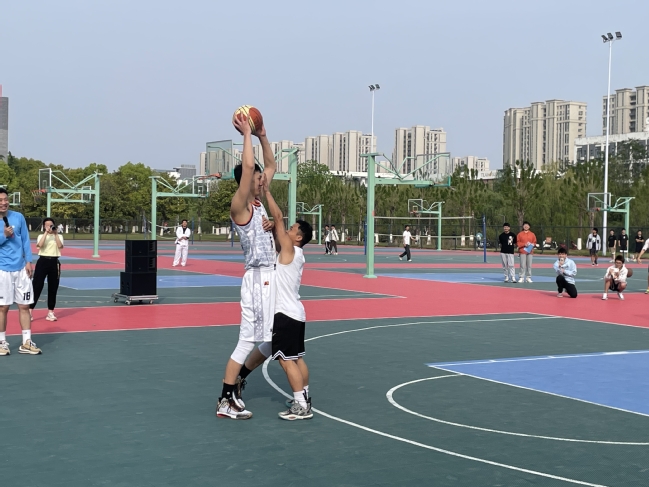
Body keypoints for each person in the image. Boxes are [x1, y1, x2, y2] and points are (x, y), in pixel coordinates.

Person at [216, 111, 277, 420]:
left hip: (272, 277)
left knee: (275, 339)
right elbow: (251, 167)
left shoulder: (259, 201)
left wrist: (263, 135)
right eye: (256, 178)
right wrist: (247, 134)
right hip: (256, 279)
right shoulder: (239, 206)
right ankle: (225, 399)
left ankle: (239, 378)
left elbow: (270, 166)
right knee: (246, 341)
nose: (261, 179)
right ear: (245, 180)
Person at [263, 177, 313, 419]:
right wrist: (273, 227)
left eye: (292, 229)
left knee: (285, 361)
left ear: (298, 237)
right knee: (297, 359)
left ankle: (300, 405)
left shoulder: (291, 249)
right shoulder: (295, 253)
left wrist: (266, 192)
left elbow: (278, 218)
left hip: (285, 313)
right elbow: (277, 230)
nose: (288, 230)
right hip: (297, 313)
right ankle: (304, 396)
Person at [0, 188, 41, 356]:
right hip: (2, 269)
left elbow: (25, 240)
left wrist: (29, 261)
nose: (4, 203)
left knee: (24, 305)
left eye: (5, 199)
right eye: (0, 200)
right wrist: (4, 235)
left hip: (21, 269)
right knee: (3, 307)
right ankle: (1, 342)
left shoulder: (18, 217)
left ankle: (26, 342)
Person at [30, 217, 64, 322]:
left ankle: (50, 312)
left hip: (54, 262)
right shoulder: (41, 236)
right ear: (44, 226)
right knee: (37, 286)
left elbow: (60, 246)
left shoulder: (59, 236)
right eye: (47, 225)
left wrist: (55, 234)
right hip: (42, 261)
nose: (49, 227)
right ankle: (30, 311)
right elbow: (39, 245)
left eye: (51, 225)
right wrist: (46, 233)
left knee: (53, 287)